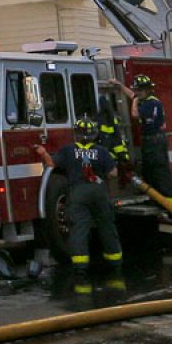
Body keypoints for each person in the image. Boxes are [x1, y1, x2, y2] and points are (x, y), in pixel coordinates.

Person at [36, 118, 122, 275]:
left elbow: (50, 164)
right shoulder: (102, 151)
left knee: (79, 229)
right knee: (107, 227)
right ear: (94, 135)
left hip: (78, 193)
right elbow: (113, 173)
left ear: (75, 134)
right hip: (99, 192)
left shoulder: (68, 150)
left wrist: (43, 152)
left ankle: (80, 267)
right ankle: (115, 262)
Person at [120, 74, 172, 195]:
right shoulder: (145, 100)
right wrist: (119, 85)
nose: (138, 92)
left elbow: (135, 114)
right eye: (137, 89)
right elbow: (131, 94)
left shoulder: (151, 103)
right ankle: (155, 198)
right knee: (149, 171)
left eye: (140, 90)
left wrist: (134, 101)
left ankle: (168, 205)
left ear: (148, 90)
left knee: (159, 173)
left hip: (155, 142)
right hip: (151, 142)